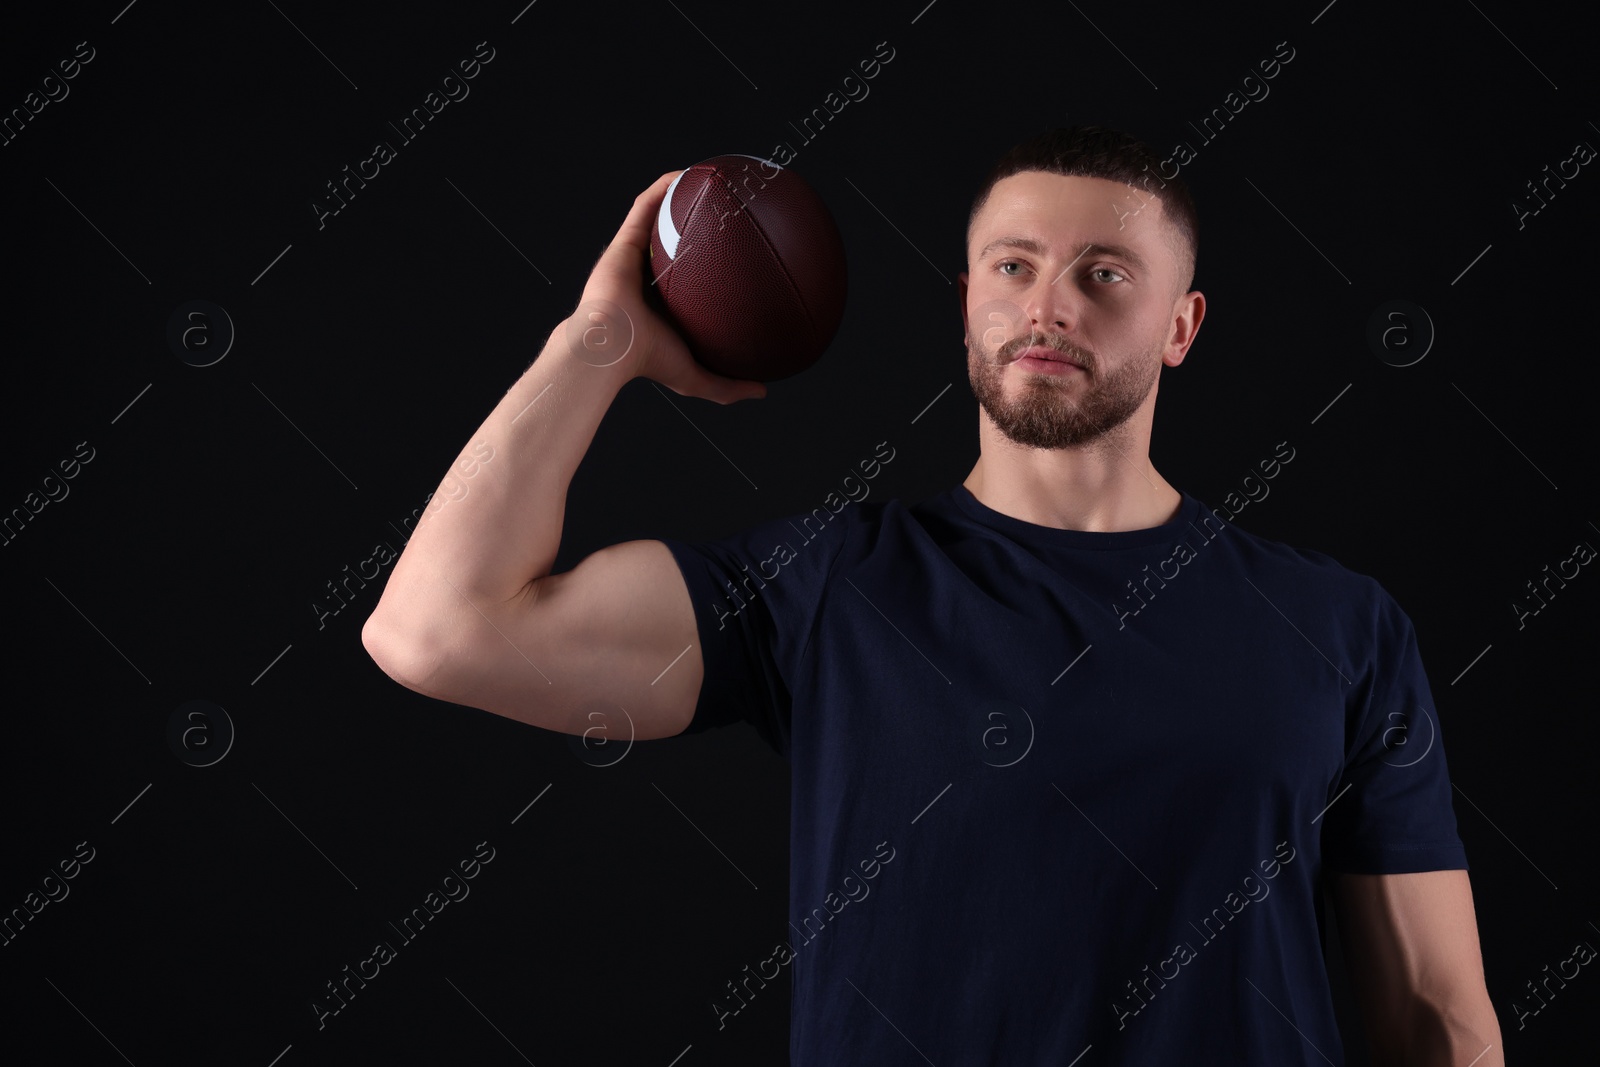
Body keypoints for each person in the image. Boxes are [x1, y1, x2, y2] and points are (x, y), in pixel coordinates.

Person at [361, 125, 1503, 1064]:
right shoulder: (821, 590)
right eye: (1013, 266)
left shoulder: (1338, 628)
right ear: (966, 303)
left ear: (1180, 324)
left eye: (1102, 273)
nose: (1048, 304)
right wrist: (597, 342)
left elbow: (1438, 1020)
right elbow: (436, 629)